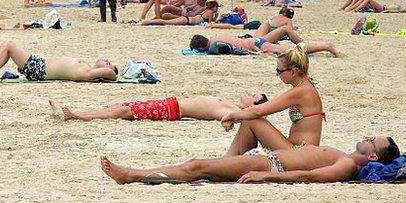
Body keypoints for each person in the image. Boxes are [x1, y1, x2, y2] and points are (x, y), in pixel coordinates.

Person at [99, 135, 400, 184]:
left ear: (372, 154)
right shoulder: (346, 156)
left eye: (373, 140)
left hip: (268, 165)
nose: (369, 135)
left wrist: (266, 175)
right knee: (201, 167)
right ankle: (135, 174)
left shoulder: (347, 164)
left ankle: (131, 174)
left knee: (197, 166)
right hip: (266, 159)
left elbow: (308, 177)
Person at [220, 44, 328, 156]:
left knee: (251, 120)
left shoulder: (302, 91)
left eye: (279, 71)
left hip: (300, 154)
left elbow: (259, 111)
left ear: (293, 72)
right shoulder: (305, 87)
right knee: (250, 119)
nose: (277, 74)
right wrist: (238, 116)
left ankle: (238, 162)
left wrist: (231, 116)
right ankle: (230, 160)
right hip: (298, 150)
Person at [48, 92, 268, 122]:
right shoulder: (230, 102)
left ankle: (74, 115)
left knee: (126, 112)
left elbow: (228, 117)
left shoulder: (231, 109)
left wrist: (233, 118)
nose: (249, 94)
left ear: (254, 104)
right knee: (123, 106)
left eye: (254, 96)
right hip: (170, 104)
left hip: (173, 110)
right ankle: (76, 112)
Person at [0, 41, 118, 84]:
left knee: (8, 46)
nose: (107, 61)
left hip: (39, 70)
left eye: (109, 63)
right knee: (8, 48)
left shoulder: (86, 73)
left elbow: (111, 74)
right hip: (40, 65)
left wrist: (111, 70)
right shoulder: (87, 68)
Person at [188, 34, 342, 57]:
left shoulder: (215, 45)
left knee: (293, 50)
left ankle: (327, 46)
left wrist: (256, 53)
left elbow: (237, 50)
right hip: (255, 41)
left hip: (257, 45)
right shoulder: (215, 37)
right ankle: (325, 47)